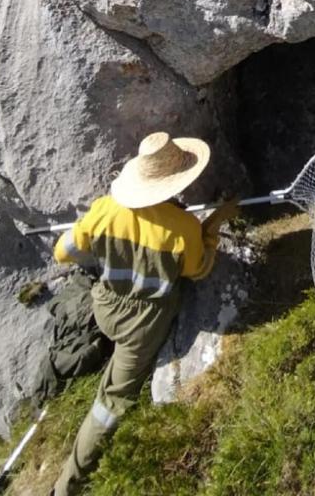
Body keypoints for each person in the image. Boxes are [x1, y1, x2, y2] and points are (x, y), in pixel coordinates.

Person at [51, 132, 238, 496]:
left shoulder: (104, 209)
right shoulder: (183, 228)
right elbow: (198, 270)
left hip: (106, 305)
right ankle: (66, 485)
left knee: (113, 351)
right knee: (112, 402)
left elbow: (63, 253)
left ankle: (103, 351)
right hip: (143, 323)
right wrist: (211, 229)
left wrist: (98, 232)